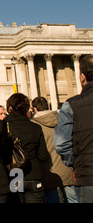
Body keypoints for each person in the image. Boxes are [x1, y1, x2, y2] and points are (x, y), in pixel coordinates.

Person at [55, 54, 93, 203]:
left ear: (82, 77)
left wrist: (76, 161)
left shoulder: (71, 105)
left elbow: (61, 144)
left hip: (87, 176)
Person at [6, 93, 50, 203]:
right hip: (33, 173)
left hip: (14, 173)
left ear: (10, 108)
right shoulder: (35, 127)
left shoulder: (5, 126)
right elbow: (43, 155)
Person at [31, 96, 76, 203]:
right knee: (73, 198)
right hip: (66, 166)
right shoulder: (62, 119)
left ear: (35, 109)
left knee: (52, 199)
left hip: (48, 169)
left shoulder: (34, 125)